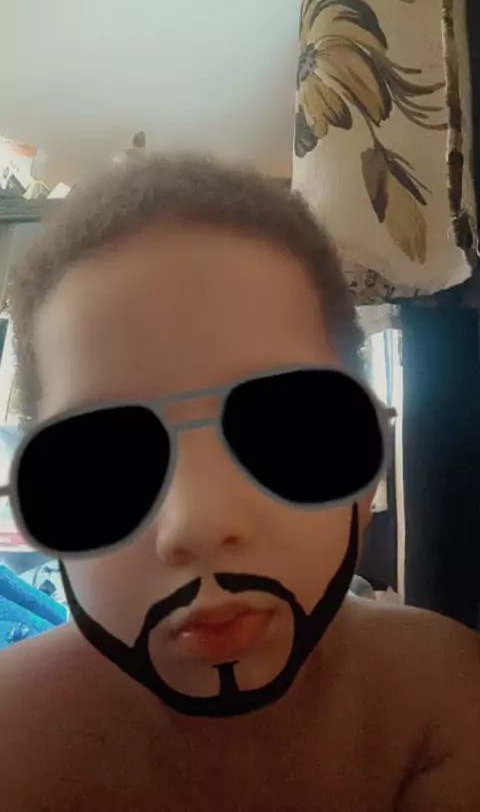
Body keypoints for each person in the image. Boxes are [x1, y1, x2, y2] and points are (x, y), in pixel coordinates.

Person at [0, 154, 479, 811]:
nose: (197, 525)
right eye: (104, 469)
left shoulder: (442, 701)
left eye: (284, 433)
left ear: (370, 465)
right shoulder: (14, 740)